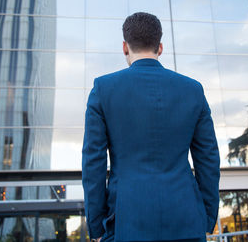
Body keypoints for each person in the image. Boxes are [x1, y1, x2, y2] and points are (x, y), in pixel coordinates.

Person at [82, 12, 220, 242]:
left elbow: (93, 163)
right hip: (186, 221)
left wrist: (97, 227)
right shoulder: (193, 90)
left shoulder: (103, 89)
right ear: (160, 47)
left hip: (126, 224)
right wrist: (206, 218)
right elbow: (208, 159)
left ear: (125, 47)